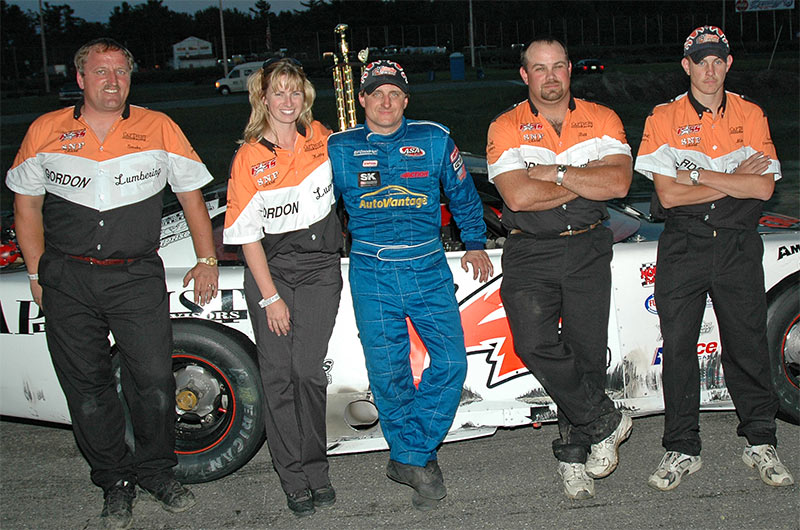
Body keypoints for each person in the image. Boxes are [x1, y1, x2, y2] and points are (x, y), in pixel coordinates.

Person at [6, 38, 218, 529]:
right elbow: (26, 207)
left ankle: (156, 472)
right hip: (67, 277)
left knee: (154, 382)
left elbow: (192, 197)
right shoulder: (45, 130)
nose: (112, 81)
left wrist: (206, 258)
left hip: (135, 276)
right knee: (87, 388)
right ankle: (114, 480)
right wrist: (36, 273)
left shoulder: (159, 127)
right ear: (81, 78)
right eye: (101, 71)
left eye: (121, 71)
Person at [327, 60, 493, 510]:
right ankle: (418, 461)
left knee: (451, 362)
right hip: (371, 270)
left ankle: (410, 454)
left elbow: (464, 195)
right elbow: (312, 205)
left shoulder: (434, 139)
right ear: (362, 98)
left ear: (405, 99)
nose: (386, 102)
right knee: (389, 373)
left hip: (427, 266)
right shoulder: (338, 147)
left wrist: (475, 242)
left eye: (394, 94)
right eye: (377, 93)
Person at [635, 25, 794, 491]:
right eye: (700, 61)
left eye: (717, 60)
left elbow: (761, 188)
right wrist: (731, 178)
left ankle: (761, 440)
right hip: (683, 244)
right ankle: (681, 447)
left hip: (738, 244)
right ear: (686, 66)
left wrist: (697, 175)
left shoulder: (751, 113)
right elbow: (667, 195)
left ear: (729, 64)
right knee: (679, 347)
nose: (709, 69)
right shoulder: (663, 117)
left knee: (747, 343)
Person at [486, 37, 633, 500]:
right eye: (539, 68)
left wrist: (556, 172)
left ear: (570, 69)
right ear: (525, 74)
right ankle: (605, 420)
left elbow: (620, 182)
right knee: (534, 344)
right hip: (530, 250)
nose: (549, 77)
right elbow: (518, 196)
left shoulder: (603, 118)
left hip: (589, 246)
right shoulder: (505, 126)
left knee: (586, 356)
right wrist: (586, 177)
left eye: (557, 67)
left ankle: (573, 458)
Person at [222, 58, 342, 517]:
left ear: (304, 96)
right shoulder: (249, 156)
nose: (287, 100)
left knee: (308, 372)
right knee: (278, 376)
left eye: (295, 91)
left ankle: (317, 469)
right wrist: (270, 297)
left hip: (320, 270)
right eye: (279, 92)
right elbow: (246, 235)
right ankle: (292, 478)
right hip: (270, 273)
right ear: (263, 98)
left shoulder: (322, 138)